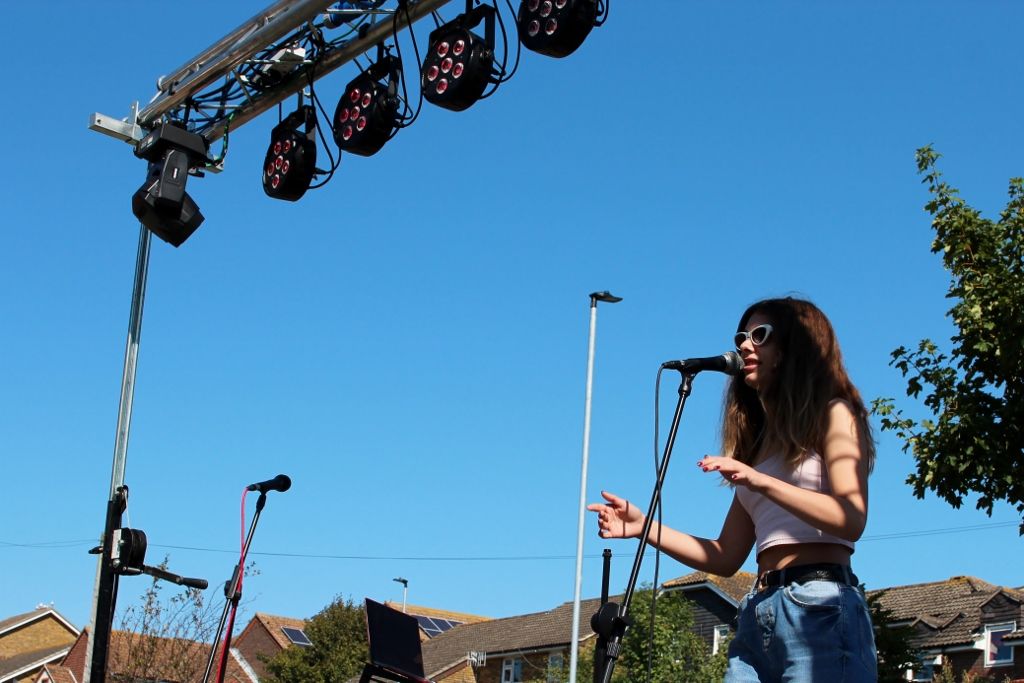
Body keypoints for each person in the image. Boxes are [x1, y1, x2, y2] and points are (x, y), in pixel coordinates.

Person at [588, 297, 878, 682]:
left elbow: (851, 518)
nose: (744, 345)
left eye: (760, 335)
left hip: (819, 607)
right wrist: (645, 528)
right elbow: (726, 556)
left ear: (795, 347)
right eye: (742, 336)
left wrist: (758, 480)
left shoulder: (834, 413)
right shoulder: (759, 452)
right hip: (759, 612)